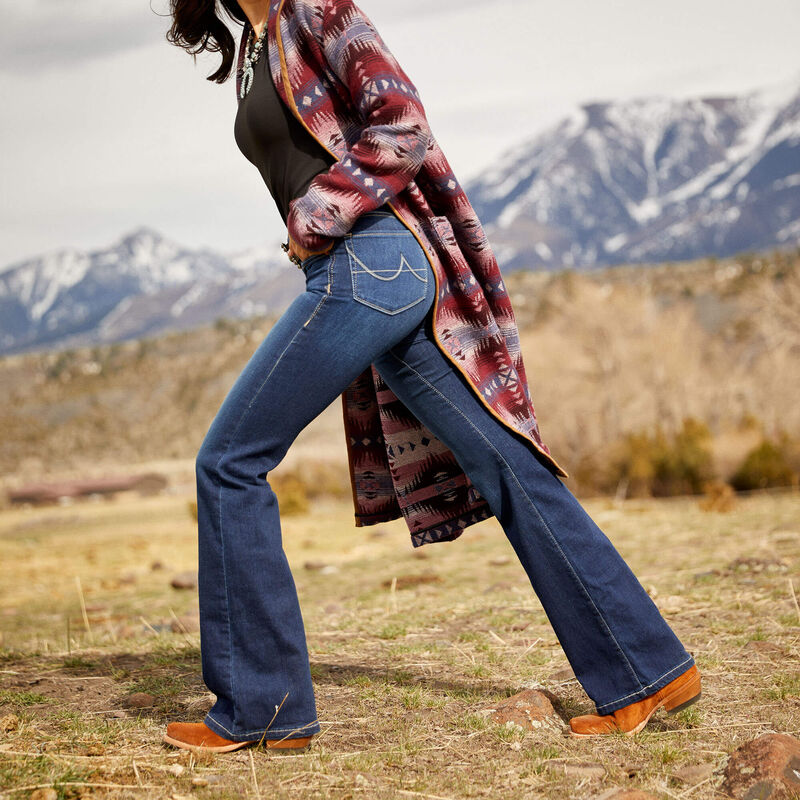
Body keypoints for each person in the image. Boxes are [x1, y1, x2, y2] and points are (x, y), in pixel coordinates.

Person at [162, 0, 701, 753]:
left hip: (369, 262)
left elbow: (402, 122)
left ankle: (262, 708)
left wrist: (314, 218)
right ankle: (649, 671)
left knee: (228, 462)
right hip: (374, 271)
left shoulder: (316, 10)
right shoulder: (257, 41)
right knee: (507, 464)